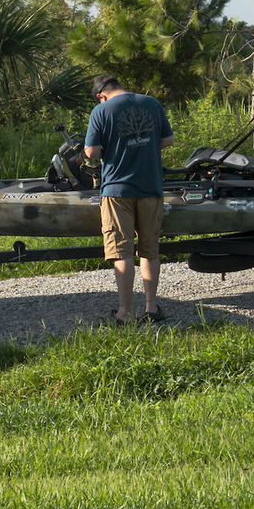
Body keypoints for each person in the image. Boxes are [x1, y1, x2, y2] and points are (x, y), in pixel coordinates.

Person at [83, 74, 175, 323]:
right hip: (150, 187)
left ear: (101, 96)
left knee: (122, 251)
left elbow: (91, 151)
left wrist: (115, 148)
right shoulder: (152, 103)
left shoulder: (101, 111)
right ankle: (151, 308)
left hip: (117, 191)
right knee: (149, 250)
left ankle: (125, 312)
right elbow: (168, 140)